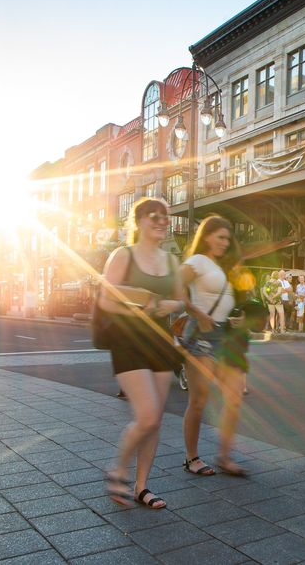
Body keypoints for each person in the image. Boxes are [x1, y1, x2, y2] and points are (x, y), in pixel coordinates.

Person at [99, 198, 188, 510]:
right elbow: (105, 301)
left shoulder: (171, 260)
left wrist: (168, 305)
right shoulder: (123, 255)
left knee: (155, 420)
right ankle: (118, 470)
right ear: (138, 222)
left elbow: (181, 300)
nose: (163, 221)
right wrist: (142, 307)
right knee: (147, 416)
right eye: (155, 216)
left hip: (159, 341)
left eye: (166, 216)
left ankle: (142, 486)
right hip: (128, 341)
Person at [179, 215, 252, 478]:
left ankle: (224, 456)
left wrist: (241, 316)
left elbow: (235, 298)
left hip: (227, 336)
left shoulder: (224, 266)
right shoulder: (198, 261)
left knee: (234, 397)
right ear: (206, 236)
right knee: (199, 401)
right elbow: (174, 287)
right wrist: (196, 312)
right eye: (220, 237)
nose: (224, 242)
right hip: (202, 335)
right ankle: (192, 458)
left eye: (227, 239)